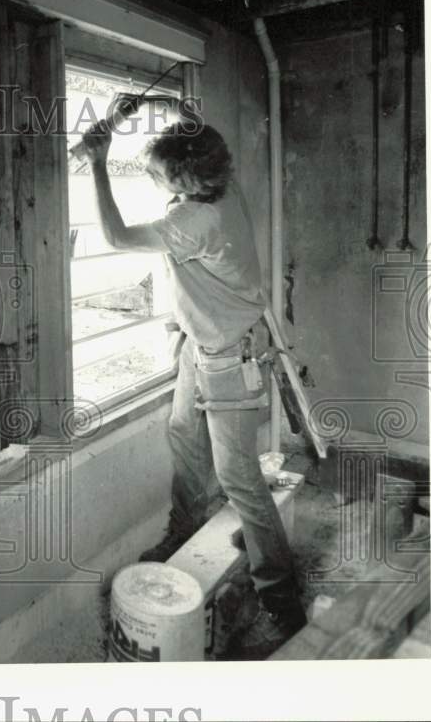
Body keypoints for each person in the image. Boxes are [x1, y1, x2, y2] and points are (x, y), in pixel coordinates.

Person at [82, 114, 307, 658]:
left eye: (160, 175)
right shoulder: (228, 187)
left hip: (228, 355)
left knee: (240, 480)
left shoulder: (194, 221)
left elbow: (113, 235)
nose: (155, 181)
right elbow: (194, 141)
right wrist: (164, 111)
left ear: (184, 184)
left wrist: (97, 161)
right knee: (183, 430)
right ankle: (184, 528)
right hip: (201, 345)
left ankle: (281, 600)